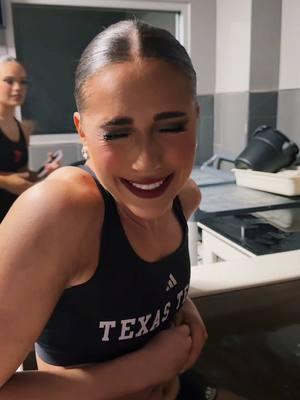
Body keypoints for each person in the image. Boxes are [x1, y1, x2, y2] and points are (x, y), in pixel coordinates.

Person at [0, 21, 244, 400]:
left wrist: (180, 303)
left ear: (196, 118)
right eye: (116, 133)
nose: (147, 161)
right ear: (81, 131)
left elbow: (118, 286)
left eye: (171, 127)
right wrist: (142, 369)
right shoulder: (56, 213)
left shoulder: (183, 199)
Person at [0, 56, 60, 222]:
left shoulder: (23, 129)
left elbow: (21, 174)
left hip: (13, 216)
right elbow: (9, 179)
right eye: (9, 81)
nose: (18, 88)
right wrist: (5, 182)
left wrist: (42, 172)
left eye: (23, 82)